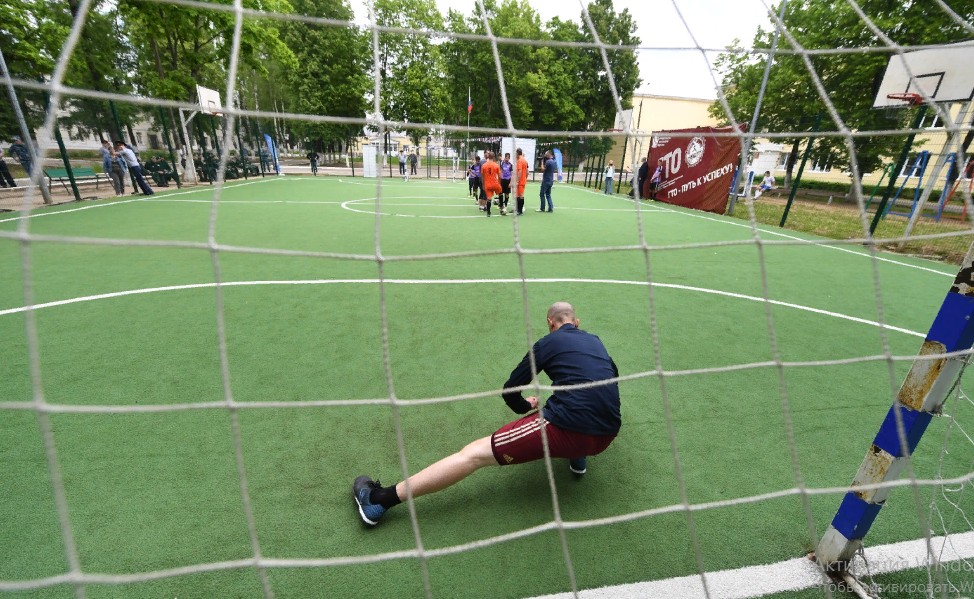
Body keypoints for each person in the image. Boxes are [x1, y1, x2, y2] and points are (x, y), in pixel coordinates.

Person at [352, 301, 621, 527]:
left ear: (550, 322)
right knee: (577, 396)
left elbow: (510, 391)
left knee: (472, 455)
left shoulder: (547, 343)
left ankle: (378, 501)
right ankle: (578, 457)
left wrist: (526, 407)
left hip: (568, 429)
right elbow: (612, 377)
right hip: (607, 434)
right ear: (577, 322)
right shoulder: (595, 341)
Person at [479, 151, 502, 217]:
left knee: (489, 198)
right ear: (494, 157)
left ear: (488, 157)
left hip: (487, 184)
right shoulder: (496, 165)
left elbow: (482, 176)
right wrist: (499, 183)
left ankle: (488, 212)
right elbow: (499, 176)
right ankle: (501, 207)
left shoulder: (484, 165)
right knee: (500, 192)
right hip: (495, 183)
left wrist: (483, 184)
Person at [514, 148, 529, 215]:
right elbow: (527, 172)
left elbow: (519, 171)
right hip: (523, 181)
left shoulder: (520, 161)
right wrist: (525, 178)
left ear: (517, 153)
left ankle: (519, 210)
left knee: (520, 195)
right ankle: (519, 209)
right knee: (520, 195)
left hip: (520, 181)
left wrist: (517, 180)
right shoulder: (524, 160)